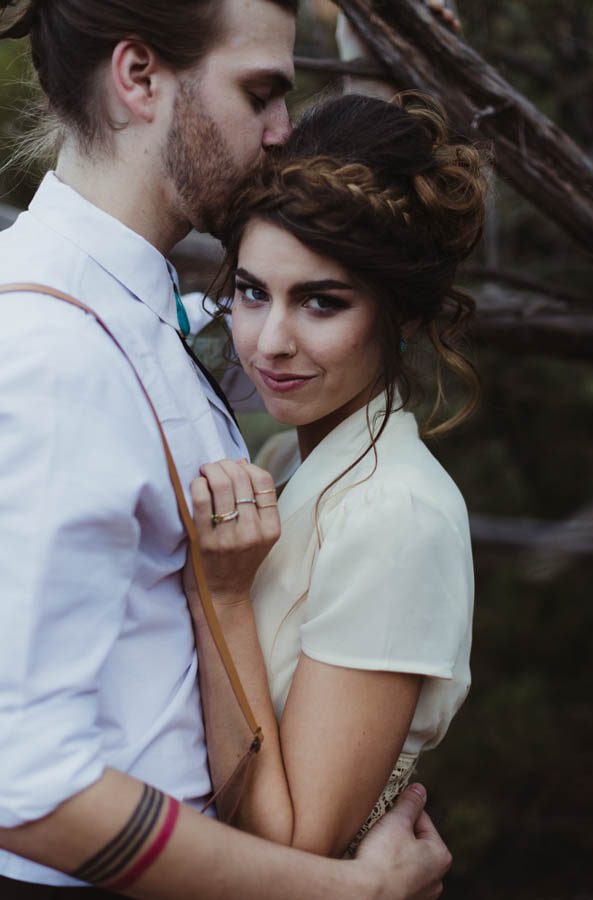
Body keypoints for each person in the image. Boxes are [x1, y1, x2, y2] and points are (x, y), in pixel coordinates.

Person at [0, 0, 451, 897]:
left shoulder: (144, 309)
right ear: (139, 78)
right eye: (261, 94)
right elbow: (29, 787)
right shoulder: (52, 359)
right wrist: (344, 893)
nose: (283, 134)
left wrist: (386, 69)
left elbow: (349, 291)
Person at [184, 91, 487, 856]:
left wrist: (219, 595)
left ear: (403, 316)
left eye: (321, 302)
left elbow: (294, 844)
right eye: (253, 292)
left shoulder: (397, 517)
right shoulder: (288, 457)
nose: (270, 341)